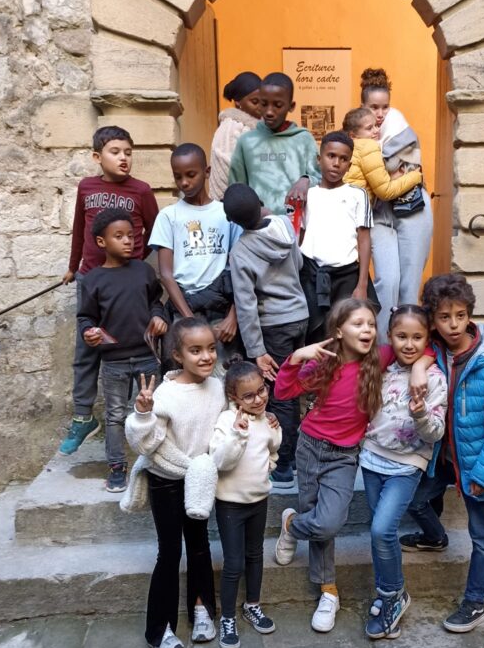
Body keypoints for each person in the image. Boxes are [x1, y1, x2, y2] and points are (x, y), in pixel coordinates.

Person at [402, 274, 484, 633]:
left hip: (479, 464)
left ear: (470, 315)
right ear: (432, 319)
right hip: (444, 456)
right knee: (416, 501)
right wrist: (420, 365)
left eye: (461, 315)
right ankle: (435, 538)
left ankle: (475, 602)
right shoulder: (434, 349)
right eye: (444, 317)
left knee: (483, 537)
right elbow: (411, 348)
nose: (453, 325)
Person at [272, 299, 383, 633]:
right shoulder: (325, 364)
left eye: (371, 325)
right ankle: (328, 591)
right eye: (358, 324)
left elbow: (418, 349)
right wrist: (295, 358)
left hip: (345, 456)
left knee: (328, 522)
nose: (367, 330)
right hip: (310, 447)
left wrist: (421, 367)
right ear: (338, 331)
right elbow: (282, 389)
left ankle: (291, 526)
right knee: (316, 515)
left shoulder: (381, 359)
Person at [124, 316, 224, 648]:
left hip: (200, 479)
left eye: (211, 348)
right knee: (170, 552)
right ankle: (160, 629)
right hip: (166, 481)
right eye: (195, 350)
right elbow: (146, 443)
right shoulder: (165, 394)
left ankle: (203, 610)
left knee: (199, 546)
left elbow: (226, 427)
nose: (206, 357)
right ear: (178, 355)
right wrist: (142, 413)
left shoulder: (218, 387)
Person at [59, 125, 159, 455]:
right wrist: (73, 267)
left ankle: (140, 419)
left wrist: (133, 266)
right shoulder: (87, 187)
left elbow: (155, 234)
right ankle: (83, 417)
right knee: (86, 351)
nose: (123, 158)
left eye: (128, 153)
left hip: (127, 283)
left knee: (133, 347)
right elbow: (79, 230)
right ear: (97, 157)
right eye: (116, 152)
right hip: (90, 279)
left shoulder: (141, 191)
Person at [360, 305, 446, 639]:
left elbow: (435, 433)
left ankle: (395, 594)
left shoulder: (434, 378)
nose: (409, 344)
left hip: (407, 466)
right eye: (401, 336)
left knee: (383, 530)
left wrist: (421, 412)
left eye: (417, 337)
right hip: (371, 459)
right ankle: (387, 594)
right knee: (377, 531)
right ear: (390, 337)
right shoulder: (381, 368)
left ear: (427, 339)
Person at [223, 183, 309, 491]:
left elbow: (246, 305)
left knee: (279, 393)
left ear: (233, 222)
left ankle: (283, 466)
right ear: (261, 203)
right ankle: (297, 456)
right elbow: (298, 264)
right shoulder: (284, 225)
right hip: (300, 316)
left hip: (272, 325)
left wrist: (257, 350)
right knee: (295, 387)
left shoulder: (242, 251)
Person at [76, 208, 167, 492]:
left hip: (147, 358)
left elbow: (156, 302)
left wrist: (159, 317)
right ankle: (117, 467)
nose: (128, 241)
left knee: (154, 410)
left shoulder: (143, 270)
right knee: (115, 415)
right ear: (102, 242)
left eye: (132, 235)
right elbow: (86, 317)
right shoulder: (93, 280)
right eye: (119, 236)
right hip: (113, 362)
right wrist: (88, 332)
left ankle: (157, 463)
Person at [210, 361, 282, 648]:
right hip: (230, 504)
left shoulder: (266, 419)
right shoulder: (226, 422)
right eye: (248, 396)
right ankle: (227, 617)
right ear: (234, 398)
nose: (258, 399)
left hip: (259, 500)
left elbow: (272, 447)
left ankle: (253, 604)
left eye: (261, 390)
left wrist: (270, 462)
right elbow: (221, 461)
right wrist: (238, 433)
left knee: (255, 556)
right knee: (234, 562)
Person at [359, 68, 434, 339]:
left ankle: (408, 349)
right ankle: (381, 352)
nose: (380, 113)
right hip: (379, 212)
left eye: (384, 106)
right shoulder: (356, 130)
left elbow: (388, 164)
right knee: (385, 282)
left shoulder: (397, 121)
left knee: (409, 286)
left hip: (412, 206)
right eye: (373, 107)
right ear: (362, 106)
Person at [149, 143, 241, 354]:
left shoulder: (226, 214)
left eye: (191, 175)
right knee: (187, 376)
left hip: (221, 310)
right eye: (178, 176)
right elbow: (166, 274)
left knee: (223, 377)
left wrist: (233, 316)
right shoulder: (168, 216)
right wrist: (189, 320)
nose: (184, 182)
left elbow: (241, 268)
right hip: (185, 307)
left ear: (207, 172)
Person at [299, 131, 377, 340]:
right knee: (315, 333)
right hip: (312, 273)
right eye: (331, 156)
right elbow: (301, 234)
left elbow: (364, 239)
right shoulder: (309, 195)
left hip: (347, 275)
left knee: (347, 332)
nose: (336, 163)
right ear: (319, 159)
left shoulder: (357, 195)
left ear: (349, 165)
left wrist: (361, 285)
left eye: (343, 159)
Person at [227, 72, 321, 215]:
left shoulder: (304, 139)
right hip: (257, 226)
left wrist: (306, 180)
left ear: (291, 106)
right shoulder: (246, 142)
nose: (269, 112)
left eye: (277, 105)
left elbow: (321, 178)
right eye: (264, 104)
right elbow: (237, 188)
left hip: (297, 226)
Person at [342, 106, 422, 206]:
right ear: (353, 136)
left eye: (376, 125)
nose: (376, 130)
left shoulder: (347, 147)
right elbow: (385, 192)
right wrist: (416, 176)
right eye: (369, 128)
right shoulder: (367, 146)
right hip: (352, 213)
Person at [209, 71, 261, 201]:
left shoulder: (256, 128)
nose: (261, 107)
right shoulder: (231, 129)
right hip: (234, 207)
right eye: (255, 102)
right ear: (238, 102)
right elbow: (228, 174)